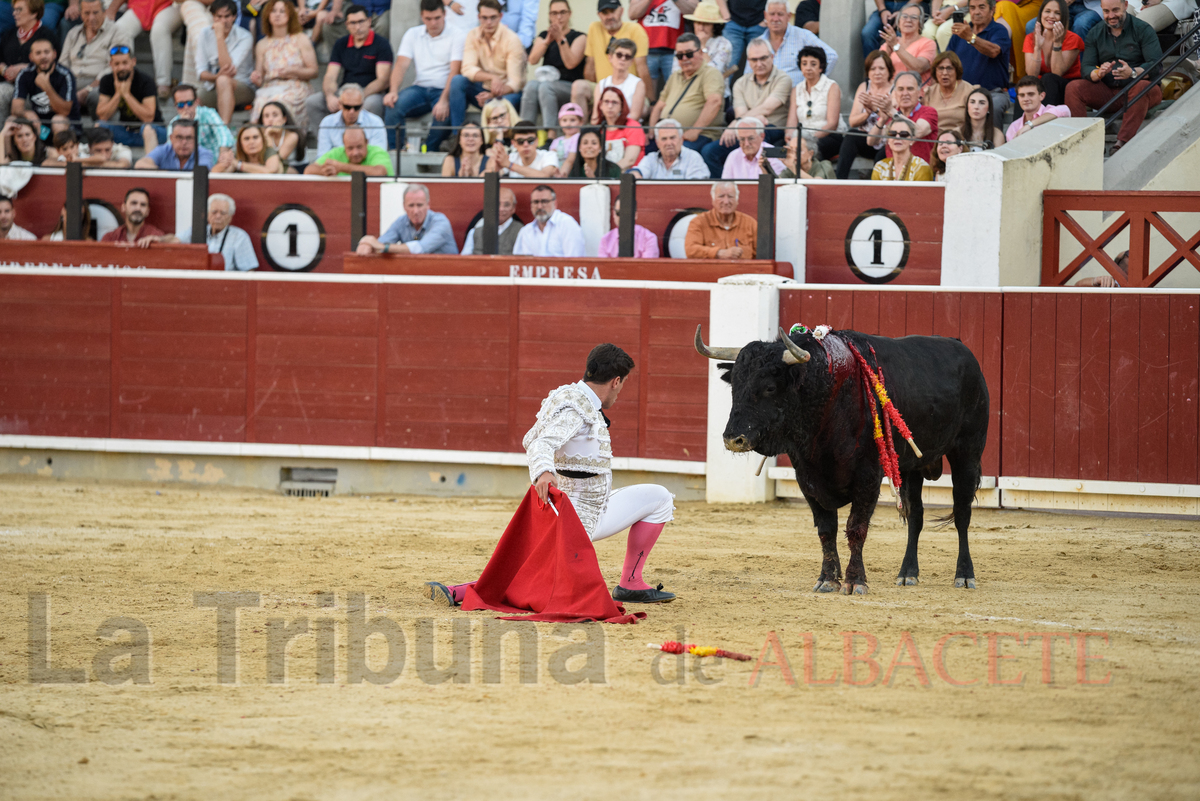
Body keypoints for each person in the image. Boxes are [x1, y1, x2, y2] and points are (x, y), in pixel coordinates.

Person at [424, 344, 679, 607]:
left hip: (587, 504)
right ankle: (459, 592)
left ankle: (631, 584)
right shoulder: (575, 411)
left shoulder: (569, 397)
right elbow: (539, 443)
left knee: (659, 497)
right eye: (623, 384)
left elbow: (529, 438)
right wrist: (544, 471)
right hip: (579, 518)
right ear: (616, 381)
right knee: (533, 576)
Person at [1065, 0, 1162, 154]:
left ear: (1125, 5)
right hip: (1109, 92)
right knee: (1073, 87)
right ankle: (1085, 142)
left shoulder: (1143, 29)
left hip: (1140, 90)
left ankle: (1121, 142)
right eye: (1106, 12)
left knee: (1141, 86)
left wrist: (1133, 72)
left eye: (1115, 10)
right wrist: (1098, 73)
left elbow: (1156, 65)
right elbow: (1086, 68)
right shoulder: (1095, 33)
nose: (1111, 16)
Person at [384, 0, 464, 154]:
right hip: (419, 88)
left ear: (444, 14)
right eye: (428, 19)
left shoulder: (457, 34)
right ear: (421, 16)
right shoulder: (412, 34)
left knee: (444, 115)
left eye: (437, 18)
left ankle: (426, 150)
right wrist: (393, 91)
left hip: (443, 89)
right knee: (393, 105)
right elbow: (401, 65)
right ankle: (397, 153)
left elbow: (455, 71)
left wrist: (444, 100)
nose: (433, 23)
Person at [305, 4, 391, 139]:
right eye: (353, 23)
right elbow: (330, 76)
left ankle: (364, 144)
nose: (358, 27)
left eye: (361, 22)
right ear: (347, 25)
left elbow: (383, 80)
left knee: (371, 104)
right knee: (313, 102)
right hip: (346, 90)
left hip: (370, 92)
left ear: (369, 21)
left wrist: (359, 97)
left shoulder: (381, 44)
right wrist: (330, 96)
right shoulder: (341, 44)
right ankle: (328, 143)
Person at [648, 32, 724, 172]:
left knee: (680, 153)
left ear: (700, 53)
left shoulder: (710, 73)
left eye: (689, 54)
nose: (684, 59)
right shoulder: (675, 76)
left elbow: (714, 102)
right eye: (679, 55)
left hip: (700, 135)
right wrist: (652, 130)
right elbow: (659, 105)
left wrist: (695, 130)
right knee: (644, 149)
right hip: (668, 135)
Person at [450, 0, 525, 133]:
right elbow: (467, 69)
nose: (488, 22)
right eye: (484, 18)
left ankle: (500, 143)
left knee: (501, 104)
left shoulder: (512, 39)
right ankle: (457, 136)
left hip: (507, 93)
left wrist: (492, 95)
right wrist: (492, 77)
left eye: (493, 17)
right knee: (457, 81)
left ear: (500, 17)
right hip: (482, 89)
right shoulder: (472, 35)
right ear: (478, 17)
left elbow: (515, 83)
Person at [249, 0, 318, 134]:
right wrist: (256, 78)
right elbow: (260, 77)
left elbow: (314, 71)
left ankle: (287, 141)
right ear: (267, 15)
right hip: (270, 87)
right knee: (261, 102)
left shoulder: (301, 38)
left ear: (289, 16)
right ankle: (263, 143)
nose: (277, 14)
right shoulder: (262, 44)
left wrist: (294, 71)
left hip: (296, 86)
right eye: (273, 11)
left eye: (282, 11)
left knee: (279, 102)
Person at [573, 0, 652, 117]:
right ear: (599, 15)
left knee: (644, 108)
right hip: (603, 89)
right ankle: (583, 134)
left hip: (629, 90)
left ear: (621, 11)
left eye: (613, 11)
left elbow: (642, 68)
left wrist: (651, 101)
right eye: (605, 12)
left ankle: (625, 133)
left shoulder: (635, 29)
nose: (609, 16)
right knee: (578, 86)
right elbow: (590, 66)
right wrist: (597, 98)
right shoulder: (594, 28)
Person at [521, 0, 585, 134]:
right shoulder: (544, 35)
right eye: (554, 13)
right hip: (548, 85)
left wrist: (561, 39)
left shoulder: (579, 37)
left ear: (569, 14)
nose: (559, 17)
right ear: (549, 16)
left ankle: (551, 134)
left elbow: (571, 63)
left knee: (546, 86)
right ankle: (525, 132)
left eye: (562, 12)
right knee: (531, 86)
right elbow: (532, 60)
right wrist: (547, 42)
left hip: (569, 86)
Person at [60, 0, 129, 119]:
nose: (91, 17)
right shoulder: (73, 33)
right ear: (81, 14)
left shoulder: (117, 32)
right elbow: (63, 64)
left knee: (96, 96)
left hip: (100, 83)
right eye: (87, 13)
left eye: (95, 13)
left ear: (104, 12)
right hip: (72, 81)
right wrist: (66, 87)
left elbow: (114, 67)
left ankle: (101, 132)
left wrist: (87, 90)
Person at [947, 0, 1012, 126]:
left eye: (981, 7)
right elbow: (948, 60)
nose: (976, 12)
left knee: (995, 106)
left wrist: (970, 38)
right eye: (972, 8)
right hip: (962, 93)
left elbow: (993, 51)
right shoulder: (960, 34)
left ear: (992, 10)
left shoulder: (999, 30)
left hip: (993, 93)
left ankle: (993, 144)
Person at [831, 49, 893, 178]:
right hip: (868, 139)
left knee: (882, 154)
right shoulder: (864, 87)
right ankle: (839, 181)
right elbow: (853, 121)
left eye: (881, 68)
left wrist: (875, 109)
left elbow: (892, 119)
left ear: (889, 71)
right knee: (850, 137)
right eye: (872, 69)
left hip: (887, 141)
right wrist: (867, 113)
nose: (877, 72)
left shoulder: (895, 89)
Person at [194, 0, 254, 125]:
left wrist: (219, 37)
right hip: (213, 86)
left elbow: (228, 68)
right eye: (219, 17)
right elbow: (201, 72)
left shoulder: (245, 36)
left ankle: (224, 129)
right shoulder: (204, 34)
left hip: (242, 86)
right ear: (213, 17)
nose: (223, 21)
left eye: (227, 16)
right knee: (191, 97)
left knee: (224, 81)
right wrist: (216, 77)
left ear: (234, 17)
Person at [0, 0, 59, 125]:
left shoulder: (47, 35)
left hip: (36, 86)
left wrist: (25, 68)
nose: (14, 14)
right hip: (9, 84)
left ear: (34, 13)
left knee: (29, 100)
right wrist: (5, 70)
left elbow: (53, 64)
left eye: (19, 10)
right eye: (14, 10)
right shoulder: (8, 35)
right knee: (1, 93)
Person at [163, 194, 259, 270]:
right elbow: (174, 240)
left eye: (223, 213)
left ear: (230, 217)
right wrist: (159, 238)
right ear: (207, 215)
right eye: (214, 212)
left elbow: (248, 271)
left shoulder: (239, 236)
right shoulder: (197, 230)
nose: (218, 216)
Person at [356, 183, 456, 255]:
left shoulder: (440, 222)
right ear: (404, 206)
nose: (415, 211)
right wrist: (367, 245)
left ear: (428, 205)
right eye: (411, 205)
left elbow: (420, 249)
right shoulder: (401, 221)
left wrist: (382, 247)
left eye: (420, 205)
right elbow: (380, 243)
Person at [756, 0, 836, 88]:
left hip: (797, 96)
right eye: (772, 14)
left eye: (780, 14)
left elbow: (831, 56)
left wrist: (815, 81)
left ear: (789, 16)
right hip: (766, 95)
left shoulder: (803, 36)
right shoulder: (758, 43)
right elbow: (748, 75)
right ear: (765, 16)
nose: (775, 19)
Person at [96, 45, 162, 151]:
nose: (121, 67)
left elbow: (148, 118)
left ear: (133, 62)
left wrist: (127, 95)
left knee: (147, 129)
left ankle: (149, 164)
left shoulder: (146, 81)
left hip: (153, 131)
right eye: (117, 64)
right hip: (126, 132)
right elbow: (102, 115)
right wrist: (118, 94)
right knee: (100, 127)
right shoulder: (106, 81)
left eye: (125, 63)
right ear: (111, 65)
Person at [106, 0, 175, 98]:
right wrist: (111, 11)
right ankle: (123, 78)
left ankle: (163, 82)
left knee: (159, 29)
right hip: (140, 4)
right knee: (120, 28)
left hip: (170, 4)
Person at [866, 70, 938, 164]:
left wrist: (892, 111)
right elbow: (871, 141)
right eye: (900, 89)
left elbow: (917, 132)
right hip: (895, 172)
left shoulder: (929, 111)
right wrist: (882, 120)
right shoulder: (890, 114)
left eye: (910, 89)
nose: (905, 93)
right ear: (895, 93)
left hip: (920, 172)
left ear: (919, 92)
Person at [785, 45, 843, 157]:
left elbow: (832, 124)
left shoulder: (832, 87)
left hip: (828, 136)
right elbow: (792, 122)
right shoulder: (796, 89)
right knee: (782, 149)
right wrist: (790, 135)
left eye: (813, 64)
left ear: (821, 67)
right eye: (804, 63)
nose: (808, 68)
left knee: (808, 151)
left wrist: (809, 139)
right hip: (802, 138)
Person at [1023, 0, 1084, 105]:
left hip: (1066, 88)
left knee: (1049, 78)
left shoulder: (1073, 39)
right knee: (1026, 83)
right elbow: (1032, 75)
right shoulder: (1031, 38)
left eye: (1057, 13)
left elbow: (1057, 73)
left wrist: (1057, 43)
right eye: (1047, 11)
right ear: (1041, 13)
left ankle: (1046, 118)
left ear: (1063, 17)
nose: (1051, 16)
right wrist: (1037, 47)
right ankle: (1022, 121)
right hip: (1041, 89)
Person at [13, 37, 78, 135]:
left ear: (54, 54)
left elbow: (64, 111)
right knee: (11, 120)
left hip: (68, 127)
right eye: (38, 53)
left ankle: (58, 150)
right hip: (40, 126)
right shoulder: (25, 74)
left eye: (47, 52)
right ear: (31, 57)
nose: (43, 56)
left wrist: (46, 86)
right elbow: (16, 108)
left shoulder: (65, 75)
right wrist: (26, 114)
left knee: (58, 121)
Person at [631, 0, 693, 96]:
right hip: (647, 49)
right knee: (646, 94)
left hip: (674, 49)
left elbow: (695, 10)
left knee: (677, 90)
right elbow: (632, 14)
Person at [685, 181, 756, 259]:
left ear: (737, 201)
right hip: (711, 271)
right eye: (721, 196)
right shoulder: (699, 222)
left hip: (743, 271)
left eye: (730, 196)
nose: (726, 201)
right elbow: (690, 250)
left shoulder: (750, 224)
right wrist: (719, 253)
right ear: (713, 200)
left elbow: (763, 257)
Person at [512, 184, 586, 257]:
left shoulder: (567, 224)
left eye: (544, 201)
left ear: (555, 203)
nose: (540, 206)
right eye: (536, 202)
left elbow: (575, 262)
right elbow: (517, 264)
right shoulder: (526, 231)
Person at [166, 83, 233, 162]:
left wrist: (222, 159)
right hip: (188, 165)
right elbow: (171, 149)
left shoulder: (208, 113)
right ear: (175, 106)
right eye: (181, 104)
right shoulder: (173, 123)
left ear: (196, 102)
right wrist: (184, 125)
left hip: (214, 165)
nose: (186, 107)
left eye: (189, 103)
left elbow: (224, 136)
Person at [316, 82, 386, 156]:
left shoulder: (375, 122)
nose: (352, 111)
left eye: (356, 107)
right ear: (339, 104)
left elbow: (379, 156)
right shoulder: (327, 122)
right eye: (347, 107)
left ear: (362, 105)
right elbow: (321, 158)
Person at [675, 2, 733, 89]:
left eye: (706, 24)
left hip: (715, 92)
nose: (701, 28)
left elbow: (715, 73)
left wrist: (702, 46)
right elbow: (676, 70)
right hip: (689, 93)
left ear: (714, 26)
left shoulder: (724, 44)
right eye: (698, 23)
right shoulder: (685, 42)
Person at [630, 117, 709, 178]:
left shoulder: (693, 158)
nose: (669, 143)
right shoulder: (651, 158)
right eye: (664, 139)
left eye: (672, 138)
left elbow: (697, 188)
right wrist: (634, 174)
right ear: (657, 143)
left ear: (681, 140)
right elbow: (638, 171)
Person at [304, 123, 392, 175]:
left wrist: (341, 167)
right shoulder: (337, 152)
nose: (355, 153)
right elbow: (308, 170)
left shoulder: (377, 152)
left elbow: (379, 172)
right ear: (344, 145)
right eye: (350, 148)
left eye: (359, 147)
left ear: (367, 142)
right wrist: (324, 171)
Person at [923, 51, 977, 135]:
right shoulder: (929, 92)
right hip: (935, 140)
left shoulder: (968, 90)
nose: (944, 73)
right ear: (935, 71)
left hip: (960, 138)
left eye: (949, 68)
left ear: (956, 70)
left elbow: (974, 122)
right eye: (941, 68)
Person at [880, 5, 936, 83]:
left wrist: (896, 46)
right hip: (892, 91)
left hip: (918, 92)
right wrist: (888, 53)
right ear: (898, 23)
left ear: (920, 24)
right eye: (904, 16)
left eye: (914, 17)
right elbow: (878, 71)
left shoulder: (928, 43)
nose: (908, 20)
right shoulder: (889, 44)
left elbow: (918, 68)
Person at [593, 36, 644, 121]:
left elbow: (635, 116)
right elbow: (595, 116)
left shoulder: (638, 84)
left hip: (627, 131)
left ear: (631, 61)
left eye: (627, 56)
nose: (623, 59)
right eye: (619, 55)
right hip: (605, 129)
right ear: (610, 57)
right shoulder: (602, 84)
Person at [1005, 74, 1071, 139]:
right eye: (1022, 95)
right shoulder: (1013, 127)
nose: (1026, 99)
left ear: (1041, 96)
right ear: (1018, 98)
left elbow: (1065, 110)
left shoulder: (1052, 112)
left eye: (1031, 94)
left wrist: (1030, 125)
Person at [871, 115, 934, 181]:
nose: (897, 137)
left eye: (904, 134)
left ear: (912, 140)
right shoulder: (880, 167)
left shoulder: (921, 166)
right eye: (892, 134)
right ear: (888, 140)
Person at [595, 84, 644, 169]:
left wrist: (608, 174)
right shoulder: (597, 128)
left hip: (628, 176)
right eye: (606, 102)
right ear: (600, 105)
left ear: (622, 106)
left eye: (614, 102)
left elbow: (630, 160)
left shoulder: (633, 126)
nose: (610, 106)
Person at [461, 186, 522, 254]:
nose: (501, 209)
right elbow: (465, 260)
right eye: (497, 204)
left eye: (506, 205)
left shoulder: (522, 232)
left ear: (513, 208)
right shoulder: (475, 232)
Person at [135, 119, 215, 170]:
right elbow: (140, 164)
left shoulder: (204, 154)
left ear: (196, 140)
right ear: (171, 138)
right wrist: (165, 174)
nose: (184, 142)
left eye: (189, 138)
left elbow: (203, 174)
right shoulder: (163, 150)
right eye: (179, 137)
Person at [491, 119, 559, 177]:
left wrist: (510, 165)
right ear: (513, 143)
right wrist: (495, 170)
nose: (526, 145)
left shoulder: (549, 155)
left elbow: (544, 175)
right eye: (520, 141)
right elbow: (488, 177)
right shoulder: (511, 158)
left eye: (530, 140)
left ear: (537, 141)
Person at [995, 0, 1043, 80]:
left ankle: (997, 48)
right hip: (1007, 5)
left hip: (1033, 5)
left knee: (1004, 7)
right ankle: (996, 50)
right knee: (1000, 7)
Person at [318, 0, 389, 54]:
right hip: (355, 6)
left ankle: (375, 63)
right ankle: (340, 66)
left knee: (383, 26)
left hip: (382, 9)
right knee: (329, 26)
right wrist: (336, 10)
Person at [214, 123, 283, 172]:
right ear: (240, 144)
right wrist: (225, 163)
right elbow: (214, 173)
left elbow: (270, 171)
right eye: (247, 139)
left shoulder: (269, 151)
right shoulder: (235, 156)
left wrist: (239, 165)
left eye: (255, 137)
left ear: (262, 140)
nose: (251, 142)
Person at [722, 0, 768, 71]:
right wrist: (726, 16)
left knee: (757, 63)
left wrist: (765, 20)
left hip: (759, 24)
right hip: (733, 22)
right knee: (728, 64)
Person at [766, 132, 834, 178]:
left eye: (798, 150)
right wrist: (765, 166)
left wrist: (793, 168)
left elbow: (817, 185)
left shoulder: (823, 166)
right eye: (792, 149)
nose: (794, 153)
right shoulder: (790, 169)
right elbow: (776, 185)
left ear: (810, 154)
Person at [260, 99, 300, 169]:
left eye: (275, 115)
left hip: (293, 170)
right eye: (266, 116)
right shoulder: (259, 134)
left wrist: (268, 135)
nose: (270, 119)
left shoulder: (292, 136)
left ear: (284, 119)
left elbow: (276, 162)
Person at [548, 101, 584, 169]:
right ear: (559, 122)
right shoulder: (556, 141)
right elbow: (550, 159)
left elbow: (570, 161)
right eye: (564, 120)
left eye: (572, 120)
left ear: (581, 122)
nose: (568, 124)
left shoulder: (579, 137)